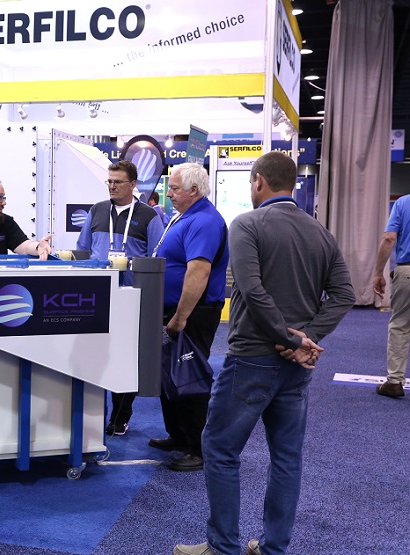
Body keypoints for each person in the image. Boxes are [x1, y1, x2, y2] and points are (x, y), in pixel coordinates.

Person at [174, 152, 354, 555]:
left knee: (220, 449)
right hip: (295, 368)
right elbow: (345, 294)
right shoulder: (321, 232)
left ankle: (222, 547)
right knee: (287, 458)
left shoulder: (247, 224)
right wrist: (305, 338)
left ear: (258, 181)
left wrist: (292, 339)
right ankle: (273, 549)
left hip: (252, 358)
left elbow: (252, 291)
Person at [76, 159, 165, 435]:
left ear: (133, 185)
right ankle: (91, 415)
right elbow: (83, 249)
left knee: (126, 359)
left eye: (118, 182)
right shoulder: (97, 210)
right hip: (97, 296)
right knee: (95, 356)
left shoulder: (149, 217)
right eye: (110, 181)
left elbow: (157, 257)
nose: (112, 186)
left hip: (131, 298)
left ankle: (120, 416)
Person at [150, 163, 228, 472]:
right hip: (175, 310)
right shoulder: (186, 216)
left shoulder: (204, 220)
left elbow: (199, 271)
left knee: (190, 379)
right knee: (170, 376)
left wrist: (181, 317)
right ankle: (179, 436)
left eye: (174, 188)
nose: (168, 194)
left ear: (194, 190)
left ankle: (197, 448)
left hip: (193, 313)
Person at [373, 194, 410, 398]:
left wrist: (378, 273)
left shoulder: (403, 203)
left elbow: (389, 238)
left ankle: (394, 382)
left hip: (407, 272)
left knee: (400, 326)